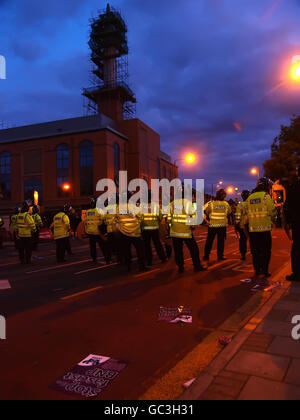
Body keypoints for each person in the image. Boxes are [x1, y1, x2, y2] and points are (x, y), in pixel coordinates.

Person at [244, 178, 277, 287]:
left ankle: (257, 270)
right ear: (266, 186)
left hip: (253, 230)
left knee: (255, 251)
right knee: (266, 251)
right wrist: (274, 219)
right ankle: (265, 270)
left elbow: (246, 213)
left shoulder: (250, 198)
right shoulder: (266, 197)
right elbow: (272, 211)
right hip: (264, 230)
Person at [168, 193, 206, 274]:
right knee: (194, 249)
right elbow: (193, 215)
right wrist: (192, 225)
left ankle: (180, 267)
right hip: (186, 232)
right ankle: (197, 266)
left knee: (178, 250)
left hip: (175, 232)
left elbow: (168, 217)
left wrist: (170, 226)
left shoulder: (172, 203)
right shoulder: (187, 203)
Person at [116, 192, 147, 272]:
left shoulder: (118, 208)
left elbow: (116, 219)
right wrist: (138, 223)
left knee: (127, 250)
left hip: (124, 232)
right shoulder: (133, 206)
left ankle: (128, 266)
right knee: (140, 250)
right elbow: (140, 216)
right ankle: (142, 266)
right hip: (135, 232)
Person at [203, 189, 232, 262]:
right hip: (222, 226)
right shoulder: (226, 204)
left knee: (209, 241)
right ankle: (220, 256)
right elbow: (229, 212)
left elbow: (206, 212)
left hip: (212, 226)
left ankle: (206, 256)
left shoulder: (212, 204)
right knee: (221, 242)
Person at [284, 165, 300, 282]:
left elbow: (287, 206)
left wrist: (288, 221)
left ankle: (297, 274)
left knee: (297, 249)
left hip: (297, 223)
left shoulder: (294, 187)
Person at [141, 192, 167, 266]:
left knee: (147, 246)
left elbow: (139, 217)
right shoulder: (155, 206)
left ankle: (149, 261)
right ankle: (163, 258)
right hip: (154, 228)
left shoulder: (141, 206)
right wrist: (157, 222)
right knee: (157, 244)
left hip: (145, 229)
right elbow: (160, 216)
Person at [84, 196, 111, 264]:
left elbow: (85, 222)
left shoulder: (87, 211)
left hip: (90, 232)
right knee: (103, 246)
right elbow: (104, 219)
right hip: (98, 232)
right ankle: (107, 259)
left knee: (92, 247)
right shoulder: (99, 210)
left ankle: (94, 259)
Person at [235, 190, 250, 261]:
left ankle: (243, 254)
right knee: (252, 240)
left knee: (242, 241)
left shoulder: (240, 205)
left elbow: (238, 216)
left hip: (242, 226)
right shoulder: (251, 203)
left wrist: (236, 224)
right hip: (251, 225)